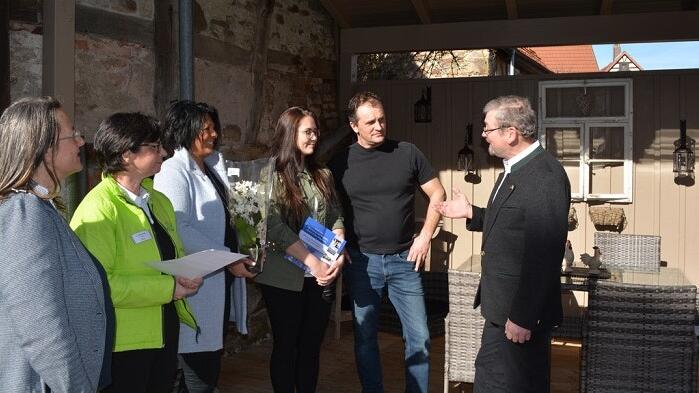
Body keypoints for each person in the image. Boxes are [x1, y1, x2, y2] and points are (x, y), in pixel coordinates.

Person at [434, 95, 571, 393]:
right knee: (491, 381)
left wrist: (523, 316)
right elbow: (513, 224)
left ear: (511, 133)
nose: (483, 137)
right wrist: (472, 213)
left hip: (519, 318)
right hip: (500, 311)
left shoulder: (545, 177)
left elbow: (545, 253)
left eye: (488, 129)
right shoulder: (514, 170)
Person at [70, 112, 202, 393]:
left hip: (163, 332)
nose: (163, 153)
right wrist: (169, 288)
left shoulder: (158, 201)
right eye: (154, 147)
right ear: (126, 154)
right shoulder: (98, 209)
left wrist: (187, 274)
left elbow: (169, 258)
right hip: (122, 344)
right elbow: (99, 286)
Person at [329, 91, 445, 393]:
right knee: (365, 337)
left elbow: (438, 194)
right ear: (354, 126)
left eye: (382, 119)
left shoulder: (407, 152)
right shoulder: (340, 163)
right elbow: (328, 210)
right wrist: (338, 246)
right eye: (370, 122)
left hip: (405, 260)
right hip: (362, 264)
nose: (379, 126)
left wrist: (424, 237)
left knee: (419, 337)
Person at [0, 96, 113, 392]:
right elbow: (41, 325)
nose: (80, 141)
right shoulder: (24, 214)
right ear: (44, 149)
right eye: (72, 134)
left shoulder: (40, 208)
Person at [153, 100, 254, 393]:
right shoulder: (174, 170)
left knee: (207, 366)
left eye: (213, 128)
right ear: (184, 131)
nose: (212, 135)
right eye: (204, 129)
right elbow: (179, 227)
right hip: (196, 282)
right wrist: (227, 258)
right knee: (199, 371)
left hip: (215, 282)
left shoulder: (212, 167)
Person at [255, 106, 344, 393]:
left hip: (320, 276)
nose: (315, 136)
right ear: (290, 134)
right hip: (283, 277)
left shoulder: (323, 174)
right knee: (286, 345)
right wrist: (311, 261)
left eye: (316, 131)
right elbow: (274, 226)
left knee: (310, 347)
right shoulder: (271, 175)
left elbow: (335, 216)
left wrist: (337, 253)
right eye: (308, 131)